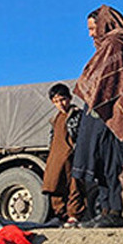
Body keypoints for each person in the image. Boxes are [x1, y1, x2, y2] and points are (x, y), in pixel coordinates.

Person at [71, 5, 123, 228]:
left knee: (116, 165)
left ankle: (116, 211)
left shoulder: (116, 44)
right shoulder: (114, 45)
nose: (91, 33)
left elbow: (106, 82)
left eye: (93, 28)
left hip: (115, 116)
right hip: (107, 116)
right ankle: (106, 210)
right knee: (104, 163)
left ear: (105, 24)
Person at [41, 84, 85, 227]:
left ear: (70, 98)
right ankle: (60, 215)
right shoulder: (55, 119)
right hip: (56, 156)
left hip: (72, 155)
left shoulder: (76, 114)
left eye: (63, 99)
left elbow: (80, 136)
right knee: (54, 185)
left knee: (74, 186)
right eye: (56, 101)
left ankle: (74, 215)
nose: (61, 103)